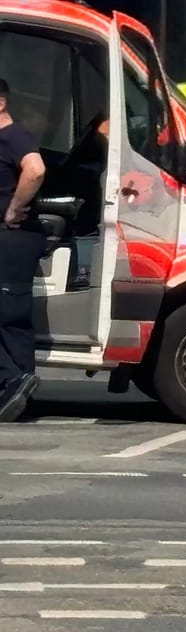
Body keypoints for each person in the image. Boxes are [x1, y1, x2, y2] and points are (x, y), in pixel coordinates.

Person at [0, 77, 47, 422]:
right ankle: (19, 393)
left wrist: (15, 208)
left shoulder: (12, 135)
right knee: (12, 318)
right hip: (16, 240)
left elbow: (36, 169)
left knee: (8, 314)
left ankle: (10, 380)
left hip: (10, 235)